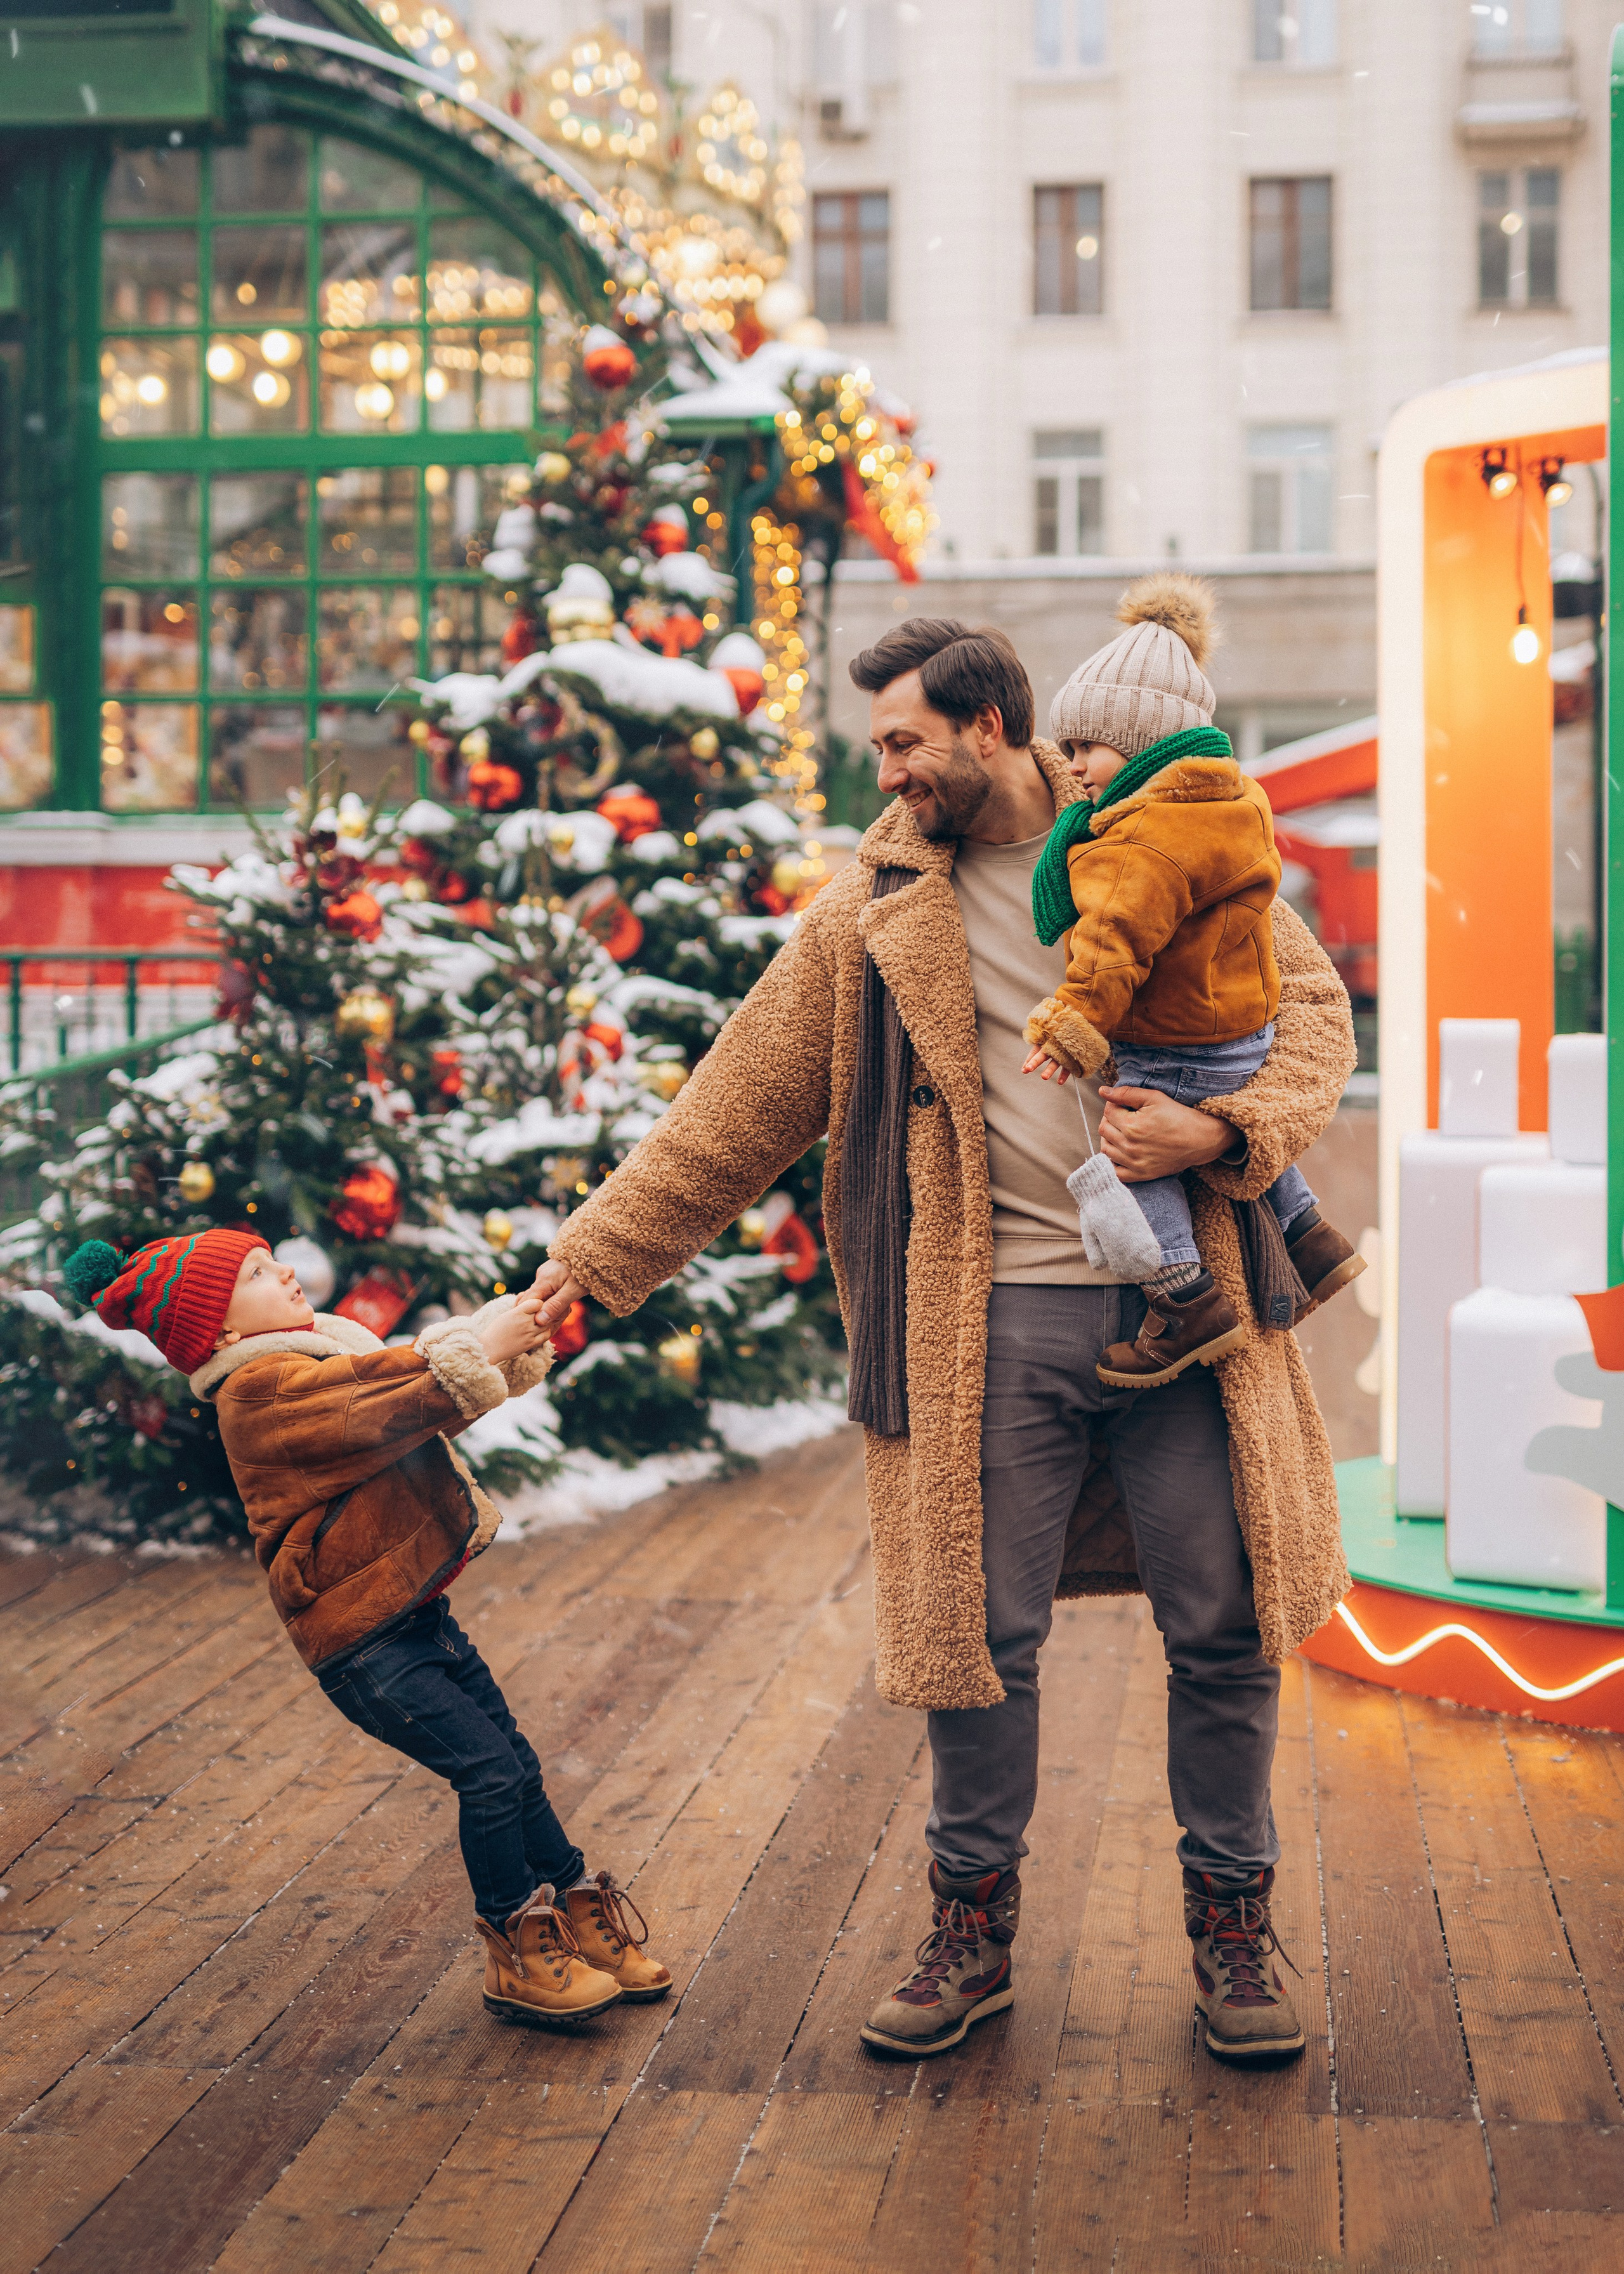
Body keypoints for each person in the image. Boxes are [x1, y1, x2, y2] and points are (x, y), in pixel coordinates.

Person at [532, 611, 1354, 2068]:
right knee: (975, 1642)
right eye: (877, 749)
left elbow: (1311, 1021)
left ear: (990, 726)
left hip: (1190, 1319)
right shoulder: (874, 909)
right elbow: (730, 1112)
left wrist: (1219, 1129)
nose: (888, 773)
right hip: (985, 1320)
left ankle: (1232, 1929)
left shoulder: (1159, 823)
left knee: (1221, 1630)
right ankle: (968, 1931)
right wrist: (589, 1266)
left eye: (905, 742)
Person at [60, 1228, 671, 2032]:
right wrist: (479, 1346)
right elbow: (386, 1398)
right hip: (363, 1644)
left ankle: (578, 1906)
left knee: (514, 1761)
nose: (286, 1269)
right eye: (256, 1271)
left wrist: (509, 1327)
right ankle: (516, 1949)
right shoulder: (260, 1391)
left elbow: (406, 1395)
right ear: (221, 1328)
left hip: (412, 1615)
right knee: (488, 1772)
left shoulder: (314, 1359)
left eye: (271, 1256)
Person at [1021, 574, 1365, 1386]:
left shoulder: (1138, 839)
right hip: (1244, 1035)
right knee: (1219, 1101)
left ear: (1141, 742)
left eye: (1088, 747)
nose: (1073, 767)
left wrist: (1071, 1025)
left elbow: (1111, 944)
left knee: (1133, 1150)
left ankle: (1183, 1299)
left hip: (1171, 1044)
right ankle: (1312, 1239)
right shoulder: (1233, 804)